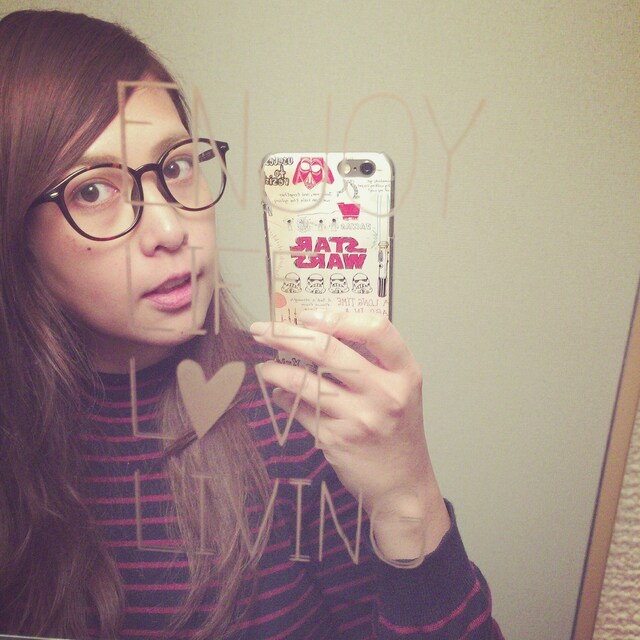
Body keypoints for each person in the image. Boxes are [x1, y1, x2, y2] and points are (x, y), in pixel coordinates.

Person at [0, 9, 503, 640]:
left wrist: (410, 497)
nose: (171, 228)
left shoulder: (298, 410)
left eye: (175, 166)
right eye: (93, 191)